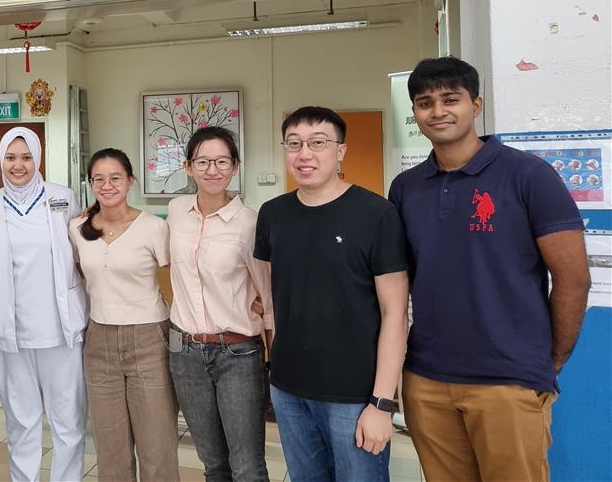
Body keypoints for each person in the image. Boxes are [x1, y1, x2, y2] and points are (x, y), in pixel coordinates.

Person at [389, 57, 589, 482]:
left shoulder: (528, 174)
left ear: (476, 105)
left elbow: (573, 277)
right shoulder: (406, 187)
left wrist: (550, 360)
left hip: (508, 378)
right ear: (415, 113)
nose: (438, 111)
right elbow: (396, 277)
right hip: (426, 377)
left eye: (451, 99)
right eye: (425, 103)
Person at [255, 106, 409, 482]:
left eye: (318, 143)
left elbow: (395, 313)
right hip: (288, 390)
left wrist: (381, 402)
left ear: (341, 151)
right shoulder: (273, 214)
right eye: (294, 144)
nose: (304, 154)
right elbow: (274, 297)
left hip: (354, 395)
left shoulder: (377, 214)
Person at [0, 126, 87, 482]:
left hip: (60, 328)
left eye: (26, 157)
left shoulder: (62, 197)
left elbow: (79, 250)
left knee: (67, 419)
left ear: (37, 158)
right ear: (1, 160)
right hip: (14, 331)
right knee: (21, 419)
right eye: (11, 157)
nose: (18, 165)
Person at [167, 127, 272, 482]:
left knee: (247, 466)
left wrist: (273, 354)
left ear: (235, 166)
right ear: (188, 167)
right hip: (185, 353)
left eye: (222, 161)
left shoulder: (250, 223)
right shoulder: (176, 210)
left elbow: (267, 294)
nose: (212, 170)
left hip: (237, 354)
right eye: (203, 162)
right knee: (213, 464)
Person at [69, 148, 179, 481]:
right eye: (98, 179)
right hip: (99, 341)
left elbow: (176, 282)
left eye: (115, 178)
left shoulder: (153, 228)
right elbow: (78, 274)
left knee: (157, 447)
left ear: (130, 181)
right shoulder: (77, 228)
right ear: (90, 184)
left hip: (149, 339)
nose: (107, 185)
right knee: (110, 450)